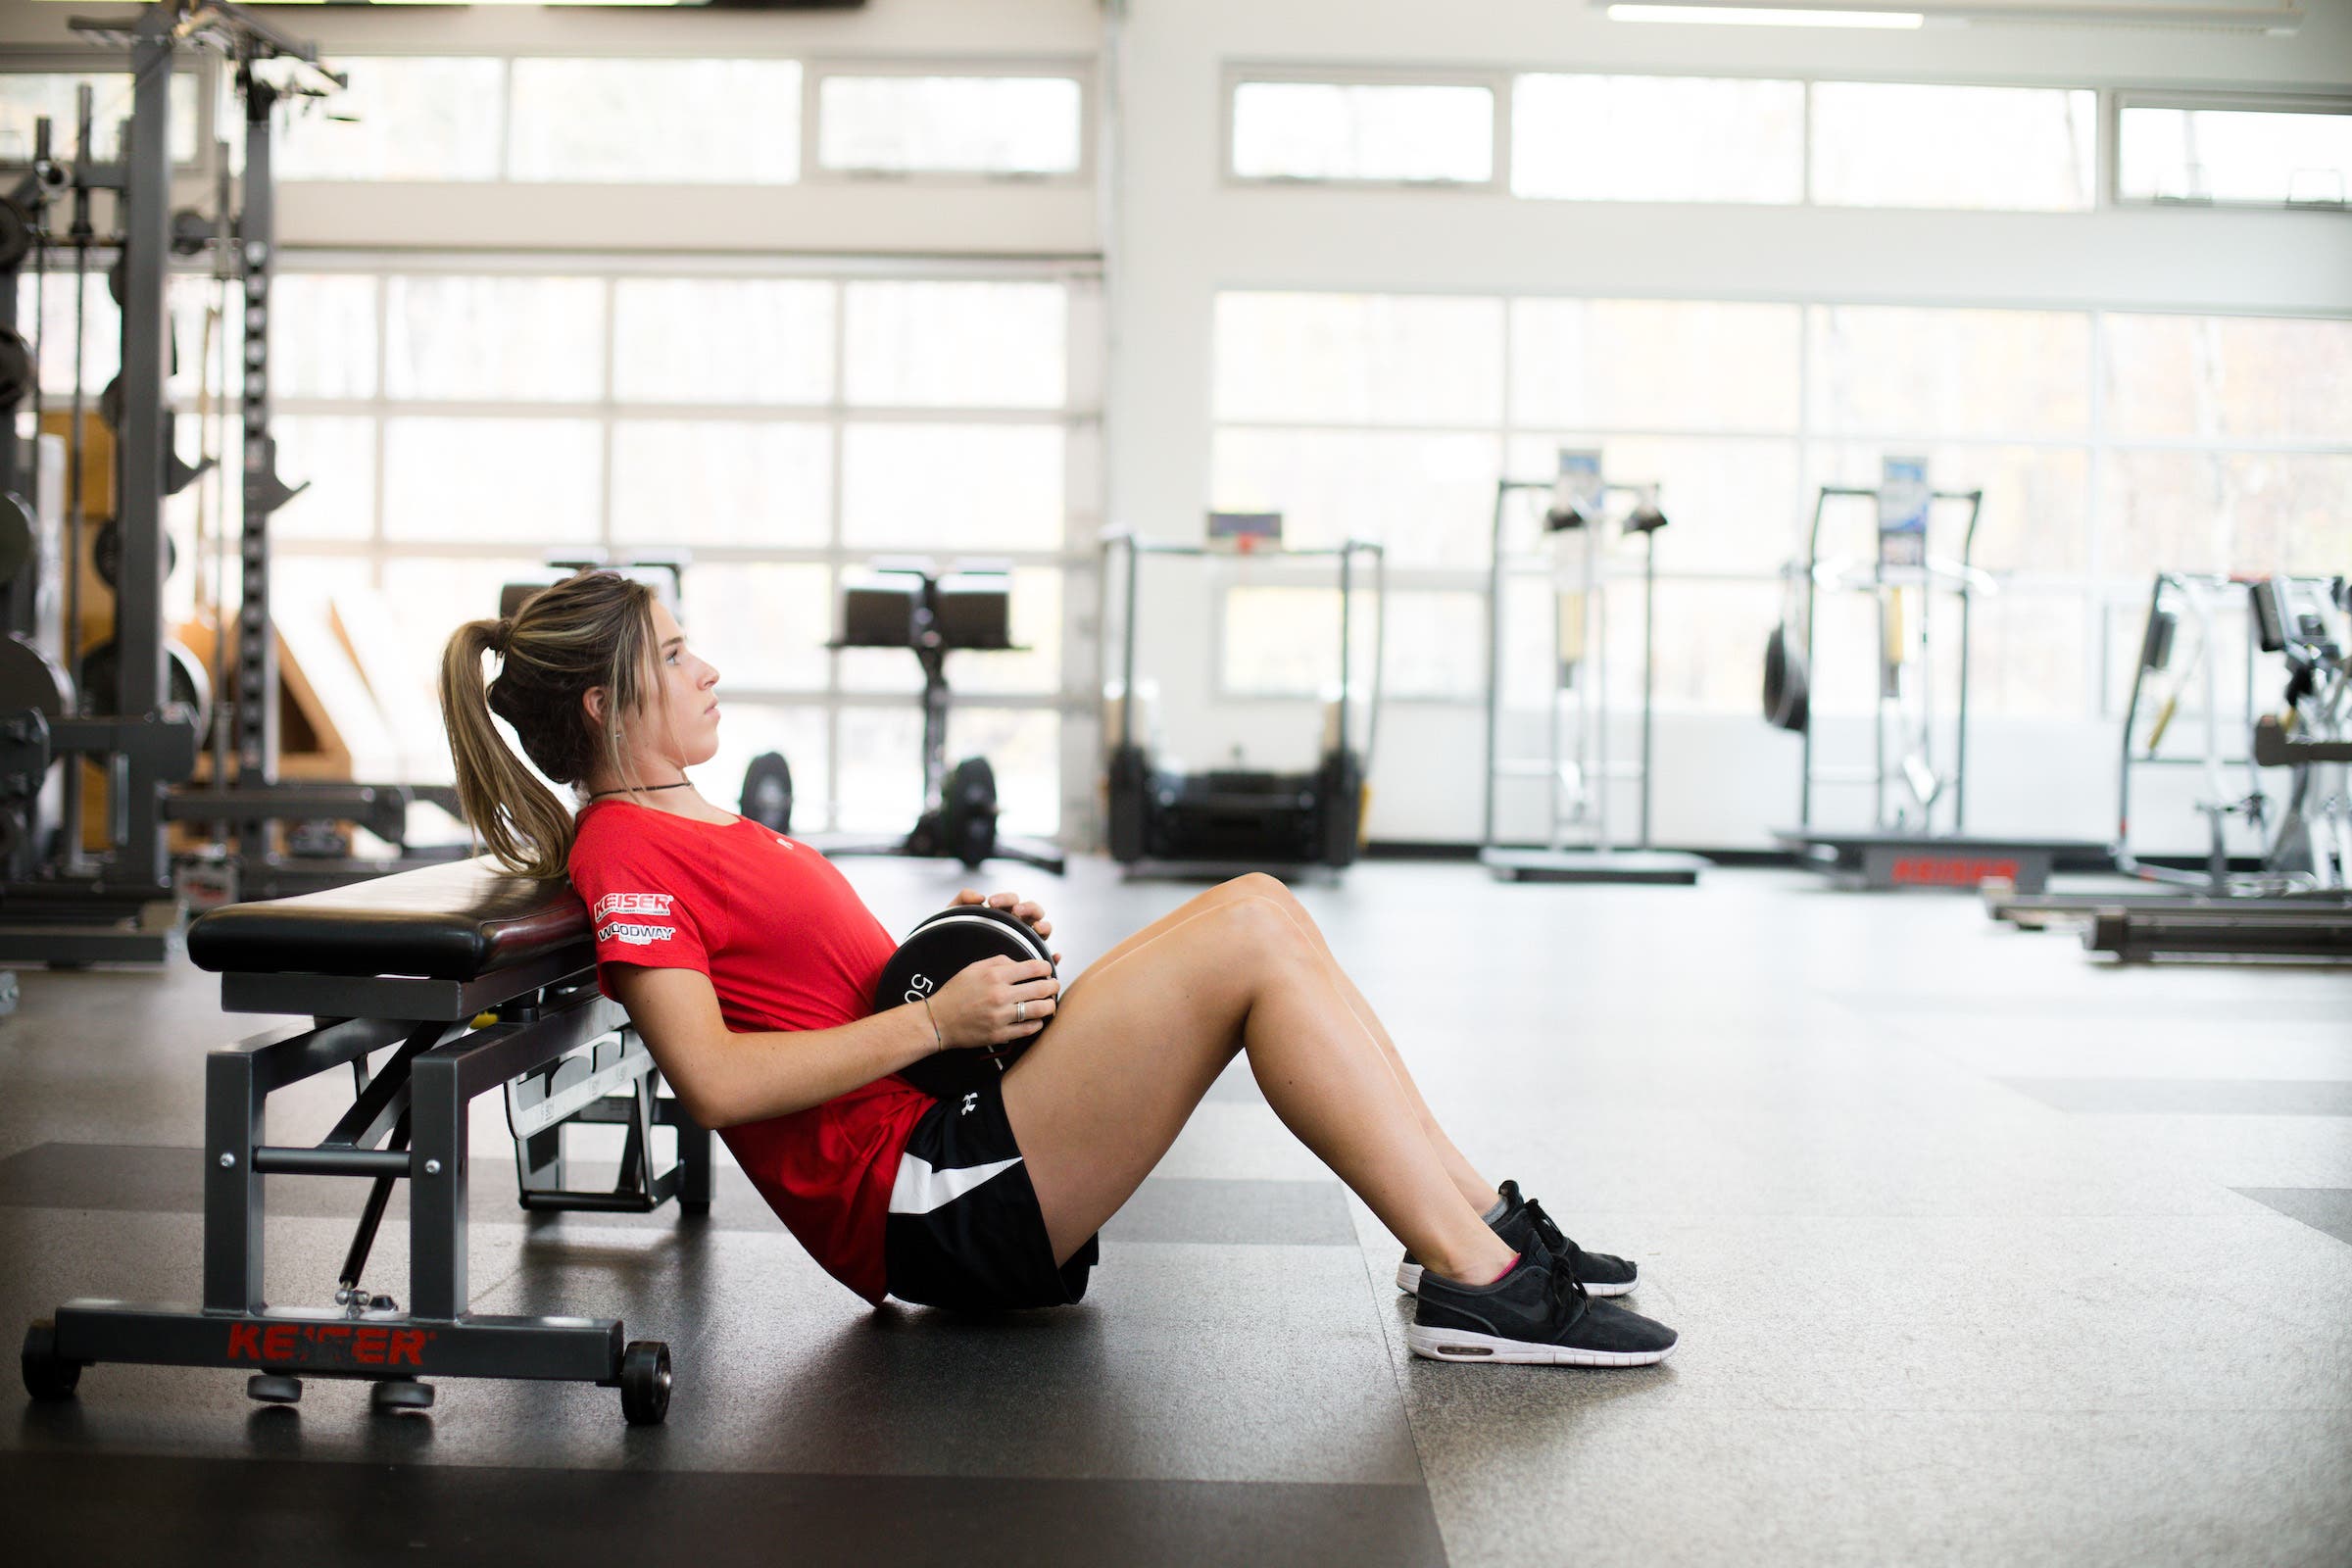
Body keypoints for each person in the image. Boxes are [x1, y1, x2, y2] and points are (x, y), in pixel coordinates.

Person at [437, 569, 1678, 1366]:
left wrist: (970, 950)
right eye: (674, 653)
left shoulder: (695, 819)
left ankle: (1472, 1227)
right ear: (601, 705)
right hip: (916, 1200)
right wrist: (938, 1028)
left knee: (1261, 905)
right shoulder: (627, 847)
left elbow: (845, 989)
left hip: (946, 1127)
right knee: (1248, 936)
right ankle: (1484, 1288)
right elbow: (709, 1079)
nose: (707, 668)